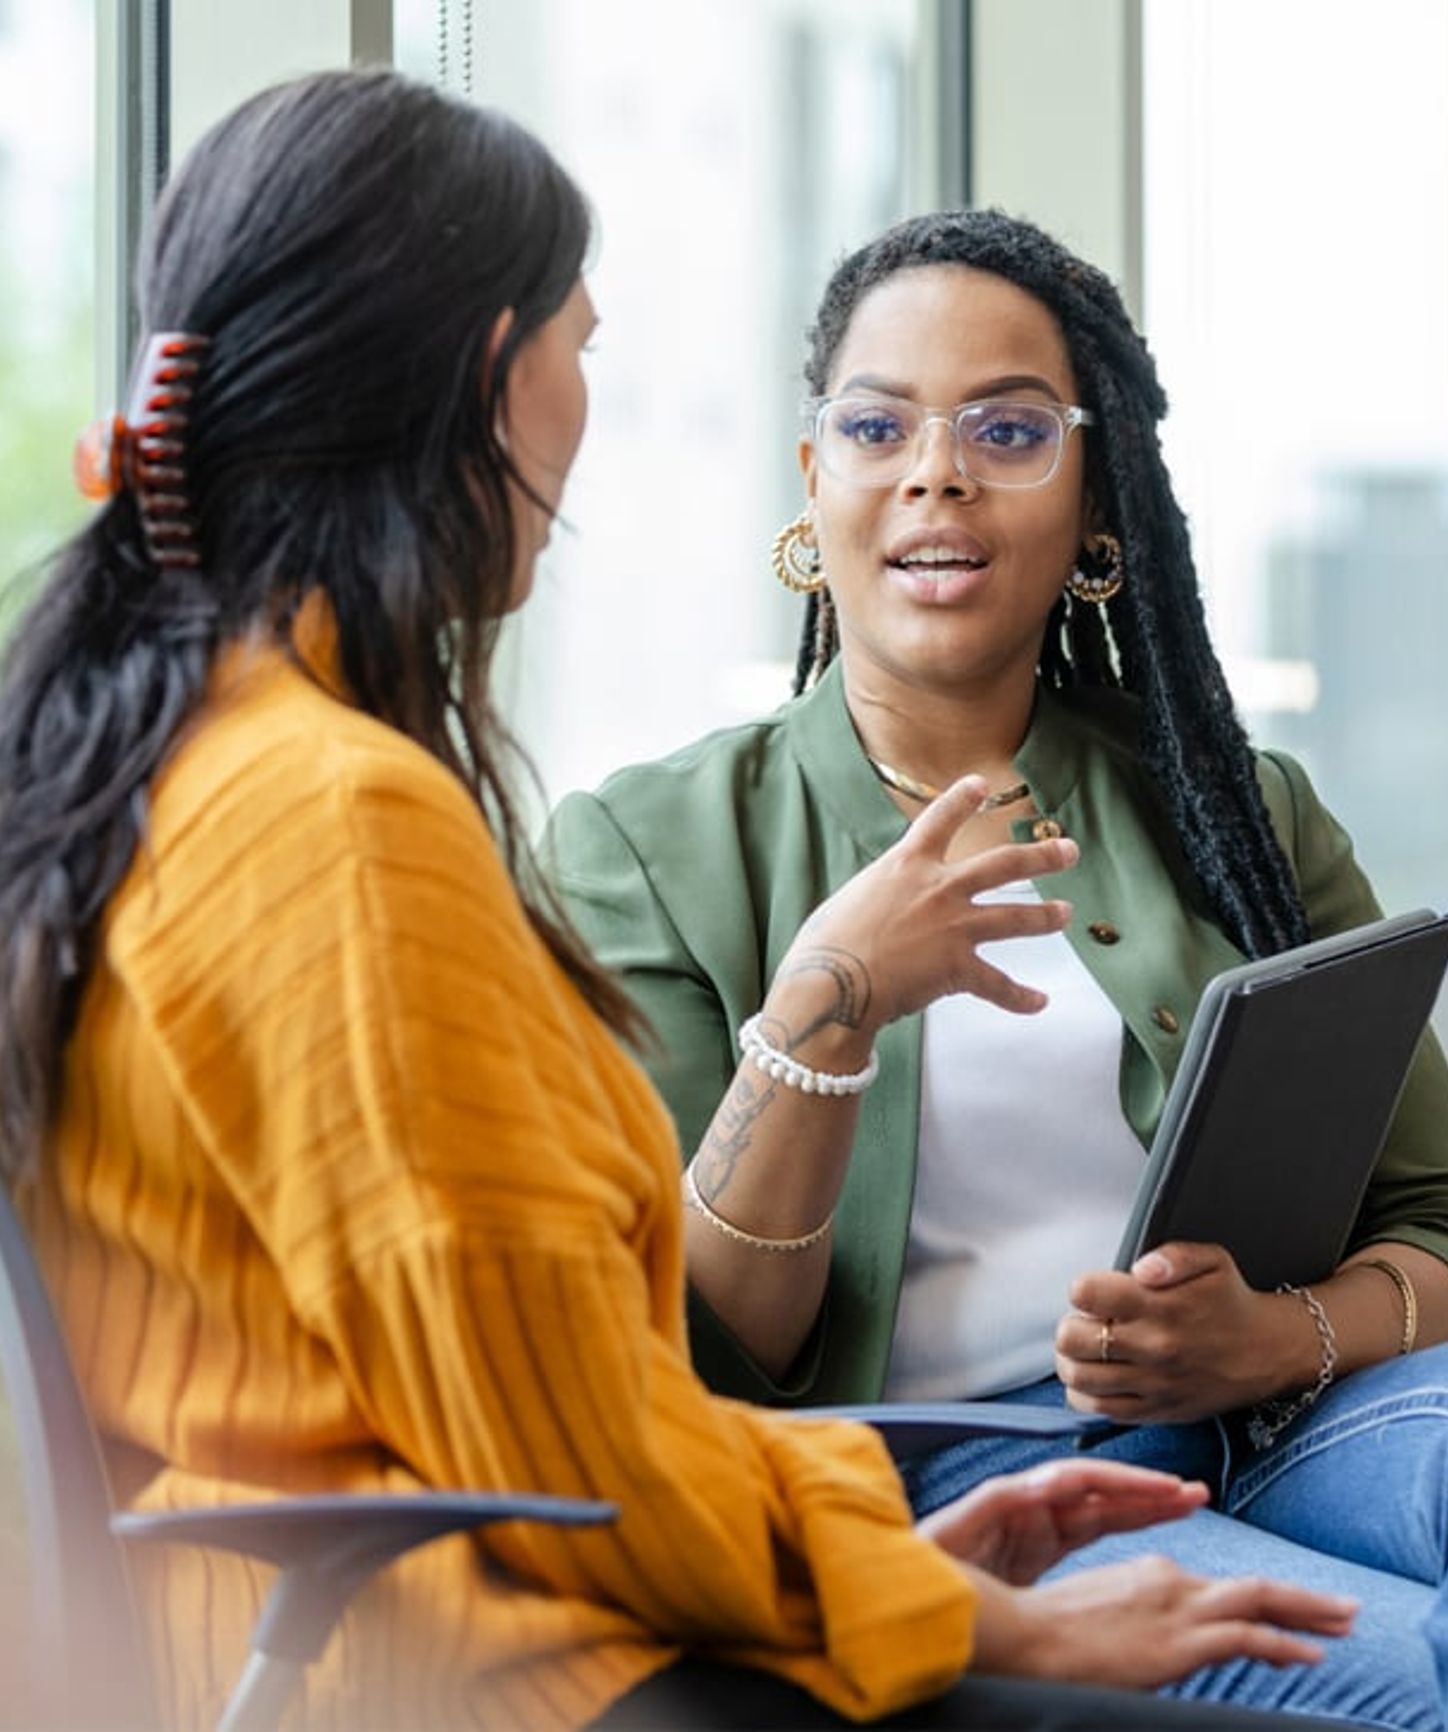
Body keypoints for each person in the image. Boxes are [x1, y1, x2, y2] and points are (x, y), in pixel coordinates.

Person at [0, 70, 1363, 1732]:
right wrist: (949, 1599)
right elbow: (565, 1452)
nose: (590, 399)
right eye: (580, 339)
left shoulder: (184, 757)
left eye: (1006, 428)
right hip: (477, 1668)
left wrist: (875, 1532)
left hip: (453, 1610)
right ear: (487, 379)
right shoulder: (340, 826)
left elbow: (550, 1412)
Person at [544, 207, 1448, 1729]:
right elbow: (705, 1352)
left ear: (1098, 504)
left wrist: (1272, 1337)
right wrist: (825, 1000)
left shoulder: (1241, 812)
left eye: (1010, 428)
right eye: (877, 424)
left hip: (1301, 1410)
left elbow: (1432, 1211)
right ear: (813, 484)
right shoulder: (642, 847)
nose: (936, 470)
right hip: (955, 1469)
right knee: (1399, 1683)